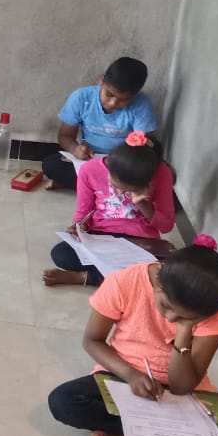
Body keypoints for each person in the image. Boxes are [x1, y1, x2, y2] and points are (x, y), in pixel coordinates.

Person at [46, 237, 218, 436]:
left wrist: (184, 332)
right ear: (158, 280)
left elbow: (181, 387)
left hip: (187, 392)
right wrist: (131, 375)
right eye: (166, 305)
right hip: (123, 377)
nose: (170, 318)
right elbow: (92, 340)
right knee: (64, 401)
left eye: (185, 317)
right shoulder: (125, 281)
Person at [43, 132, 175, 287]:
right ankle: (123, 276)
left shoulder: (161, 173)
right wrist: (78, 225)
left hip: (141, 241)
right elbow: (82, 211)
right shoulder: (89, 170)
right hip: (101, 235)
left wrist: (142, 204)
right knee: (61, 254)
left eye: (127, 190)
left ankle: (86, 277)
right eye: (115, 185)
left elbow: (166, 226)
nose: (119, 193)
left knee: (169, 270)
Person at [41, 56, 158, 190]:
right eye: (109, 94)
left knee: (152, 173)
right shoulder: (81, 98)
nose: (113, 103)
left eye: (123, 99)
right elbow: (65, 136)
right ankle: (112, 189)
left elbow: (144, 147)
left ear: (134, 96)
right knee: (51, 165)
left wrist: (118, 161)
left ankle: (89, 186)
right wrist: (75, 150)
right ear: (102, 81)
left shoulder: (141, 104)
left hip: (122, 164)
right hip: (89, 159)